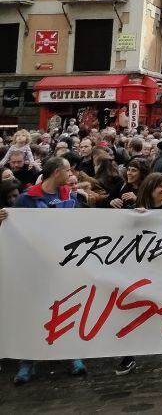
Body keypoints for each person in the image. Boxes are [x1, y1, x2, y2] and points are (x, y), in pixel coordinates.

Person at [12, 157, 88, 384]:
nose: (70, 173)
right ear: (56, 173)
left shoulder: (71, 198)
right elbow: (14, 230)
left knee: (67, 309)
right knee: (33, 313)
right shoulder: (26, 199)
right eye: (67, 170)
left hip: (64, 265)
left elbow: (92, 223)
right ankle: (27, 362)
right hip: (34, 267)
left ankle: (72, 354)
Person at [114, 173, 162, 374]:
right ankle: (128, 355)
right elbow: (122, 233)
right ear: (150, 189)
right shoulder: (136, 210)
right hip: (140, 269)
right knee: (135, 310)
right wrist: (131, 218)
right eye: (160, 186)